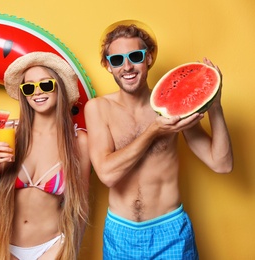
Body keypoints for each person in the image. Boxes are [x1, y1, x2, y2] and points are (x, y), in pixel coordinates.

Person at [84, 20, 233, 259]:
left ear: (149, 58)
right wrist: (154, 130)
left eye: (135, 56)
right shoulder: (98, 109)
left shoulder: (174, 106)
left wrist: (215, 107)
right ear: (108, 66)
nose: (127, 66)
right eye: (117, 60)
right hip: (120, 234)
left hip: (171, 230)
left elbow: (222, 164)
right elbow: (107, 174)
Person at [0, 52, 90, 260]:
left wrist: (69, 250)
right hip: (7, 246)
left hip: (53, 248)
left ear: (59, 87)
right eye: (29, 87)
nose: (37, 93)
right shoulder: (9, 133)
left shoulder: (79, 141)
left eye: (45, 85)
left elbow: (81, 207)